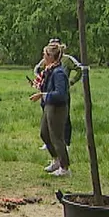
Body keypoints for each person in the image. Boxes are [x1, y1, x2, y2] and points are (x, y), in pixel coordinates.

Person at [30, 42, 71, 177]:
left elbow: (61, 94)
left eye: (44, 54)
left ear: (51, 57)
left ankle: (65, 167)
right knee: (44, 134)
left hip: (57, 108)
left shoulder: (59, 72)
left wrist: (43, 95)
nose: (43, 57)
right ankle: (56, 160)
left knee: (57, 138)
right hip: (48, 106)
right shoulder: (49, 70)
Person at [33, 40, 81, 148]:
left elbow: (79, 69)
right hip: (49, 92)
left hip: (61, 92)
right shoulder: (47, 59)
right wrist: (40, 80)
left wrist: (71, 81)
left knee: (65, 118)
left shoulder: (67, 60)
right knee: (48, 119)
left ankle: (66, 143)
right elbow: (37, 69)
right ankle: (50, 143)